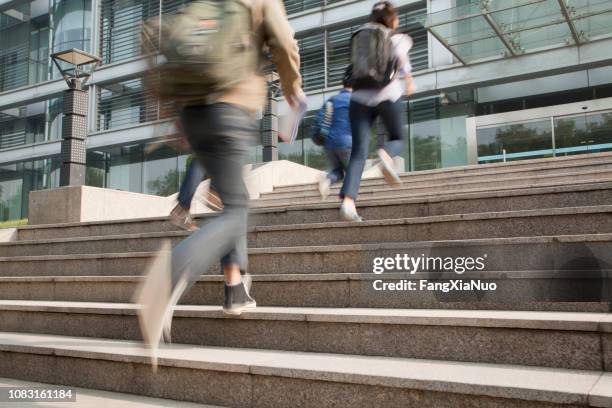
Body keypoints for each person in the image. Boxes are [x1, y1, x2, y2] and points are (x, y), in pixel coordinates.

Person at [134, 0, 303, 369]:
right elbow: (286, 43)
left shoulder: (205, 3)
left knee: (231, 202)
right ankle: (171, 273)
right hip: (230, 109)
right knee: (239, 210)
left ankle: (235, 290)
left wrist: (175, 114)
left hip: (193, 114)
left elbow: (172, 44)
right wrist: (293, 88)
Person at [339, 1, 415, 221]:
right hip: (387, 95)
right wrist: (409, 81)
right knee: (398, 137)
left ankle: (348, 202)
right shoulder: (398, 38)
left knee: (358, 152)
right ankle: (385, 154)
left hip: (358, 98)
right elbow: (402, 63)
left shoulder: (362, 36)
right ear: (392, 19)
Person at [311, 65, 353, 199]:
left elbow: (319, 120)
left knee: (338, 171)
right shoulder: (355, 100)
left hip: (329, 144)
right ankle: (348, 202)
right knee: (353, 172)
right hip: (346, 143)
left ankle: (327, 180)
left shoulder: (332, 100)